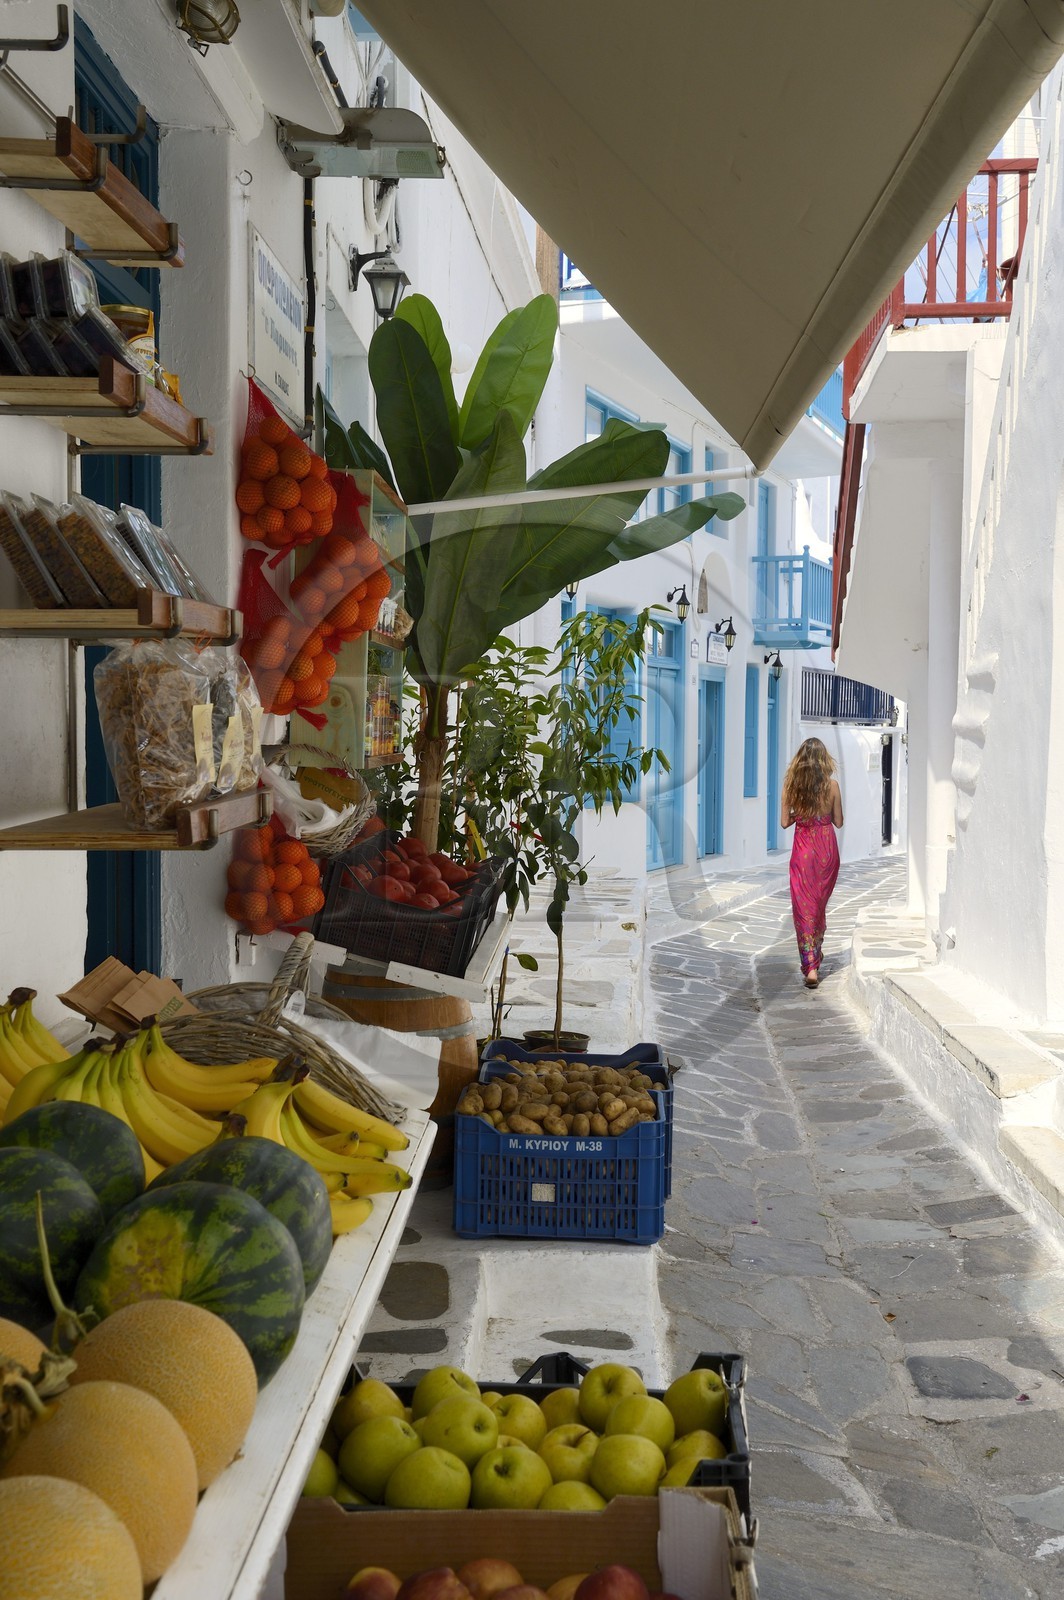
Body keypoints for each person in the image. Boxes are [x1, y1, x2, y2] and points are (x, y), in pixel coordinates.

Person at [780, 737, 843, 988]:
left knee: (804, 908)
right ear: (823, 760)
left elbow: (785, 822)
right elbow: (838, 821)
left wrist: (801, 813)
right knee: (817, 907)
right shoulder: (833, 786)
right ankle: (815, 953)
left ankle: (811, 965)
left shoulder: (791, 787)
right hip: (827, 851)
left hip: (804, 851)